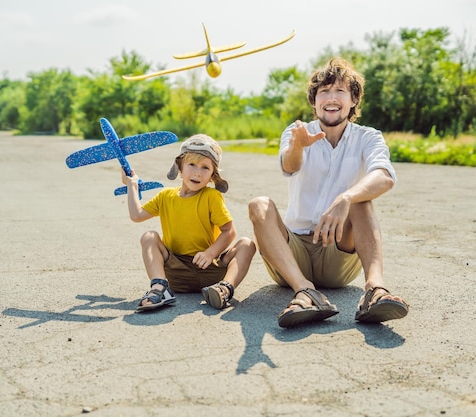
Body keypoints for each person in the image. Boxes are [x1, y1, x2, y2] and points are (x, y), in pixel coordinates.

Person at [248, 57, 409, 328]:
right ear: (314, 101)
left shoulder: (368, 137)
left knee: (361, 200)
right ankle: (305, 291)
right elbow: (290, 165)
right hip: (293, 254)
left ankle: (375, 291)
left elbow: (384, 175)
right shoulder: (297, 132)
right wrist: (299, 146)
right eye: (323, 91)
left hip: (337, 251)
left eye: (340, 91)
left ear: (353, 99)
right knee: (258, 204)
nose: (331, 98)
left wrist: (345, 198)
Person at [122, 134, 256, 312]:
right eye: (191, 164)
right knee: (149, 237)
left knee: (247, 244)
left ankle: (224, 289)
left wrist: (210, 253)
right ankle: (159, 288)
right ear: (180, 167)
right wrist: (132, 185)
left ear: (212, 176)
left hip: (210, 268)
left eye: (205, 168)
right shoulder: (165, 196)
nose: (197, 172)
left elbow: (229, 231)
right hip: (176, 270)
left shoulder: (211, 196)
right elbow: (137, 215)